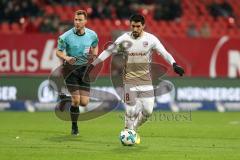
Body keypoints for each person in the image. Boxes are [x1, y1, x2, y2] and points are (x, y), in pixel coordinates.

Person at [85, 14, 184, 144]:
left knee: (148, 111)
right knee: (130, 110)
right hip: (129, 81)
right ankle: (128, 131)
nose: (135, 29)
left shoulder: (151, 39)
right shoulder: (124, 39)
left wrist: (174, 64)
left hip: (146, 81)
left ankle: (133, 129)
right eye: (133, 26)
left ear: (143, 26)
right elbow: (108, 51)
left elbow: (164, 52)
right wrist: (94, 64)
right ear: (130, 25)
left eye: (138, 26)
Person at [56, 10, 98, 136]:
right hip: (70, 70)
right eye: (75, 19)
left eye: (80, 20)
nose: (77, 22)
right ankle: (74, 127)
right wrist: (66, 58)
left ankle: (65, 99)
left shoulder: (92, 35)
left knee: (84, 102)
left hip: (84, 70)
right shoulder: (65, 37)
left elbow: (95, 45)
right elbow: (58, 51)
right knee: (76, 101)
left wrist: (94, 55)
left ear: (85, 21)